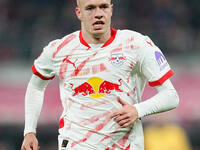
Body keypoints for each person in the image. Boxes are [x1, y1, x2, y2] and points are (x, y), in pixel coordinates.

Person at [21, 0, 179, 150]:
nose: (98, 14)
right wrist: (29, 131)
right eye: (90, 8)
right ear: (78, 13)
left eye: (103, 6)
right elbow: (36, 86)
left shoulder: (137, 44)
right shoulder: (58, 50)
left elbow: (171, 96)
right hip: (76, 143)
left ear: (111, 10)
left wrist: (137, 110)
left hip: (124, 145)